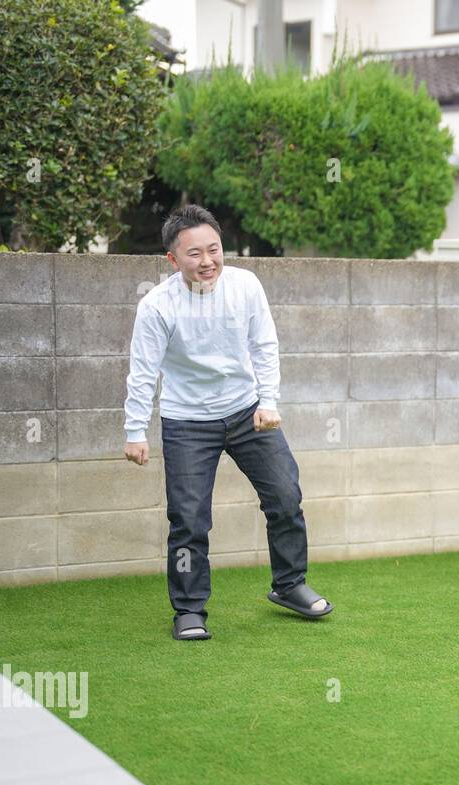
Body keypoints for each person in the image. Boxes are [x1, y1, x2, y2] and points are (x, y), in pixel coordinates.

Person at [123, 204, 333, 640]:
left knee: (285, 495)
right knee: (189, 519)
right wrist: (135, 430)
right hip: (187, 421)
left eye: (214, 250)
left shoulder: (245, 286)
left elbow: (265, 344)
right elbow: (143, 370)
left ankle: (289, 585)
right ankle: (188, 609)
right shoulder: (157, 306)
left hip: (246, 410)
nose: (207, 262)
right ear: (173, 260)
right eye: (194, 254)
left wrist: (268, 401)